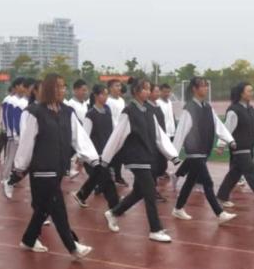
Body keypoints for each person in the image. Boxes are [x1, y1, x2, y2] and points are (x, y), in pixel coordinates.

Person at [11, 73, 95, 258]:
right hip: (42, 169)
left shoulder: (67, 112)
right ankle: (73, 246)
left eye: (63, 86)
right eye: (58, 86)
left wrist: (92, 158)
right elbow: (27, 142)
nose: (62, 90)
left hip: (58, 168)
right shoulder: (35, 113)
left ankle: (28, 239)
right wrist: (20, 167)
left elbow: (78, 136)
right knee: (57, 207)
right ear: (48, 89)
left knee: (43, 209)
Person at [100, 78, 179, 242]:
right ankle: (155, 229)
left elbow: (159, 135)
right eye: (145, 89)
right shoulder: (129, 112)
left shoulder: (149, 111)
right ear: (136, 91)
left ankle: (114, 212)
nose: (148, 92)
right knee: (150, 191)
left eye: (149, 89)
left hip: (148, 156)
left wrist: (172, 155)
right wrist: (105, 159)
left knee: (139, 192)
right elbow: (117, 136)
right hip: (135, 157)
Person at [170, 77, 237, 225]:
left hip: (204, 150)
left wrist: (229, 139)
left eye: (207, 86)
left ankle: (178, 208)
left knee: (190, 181)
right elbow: (181, 131)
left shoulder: (208, 107)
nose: (206, 88)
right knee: (208, 182)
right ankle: (219, 213)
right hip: (194, 151)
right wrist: (173, 154)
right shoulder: (189, 108)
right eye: (202, 86)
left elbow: (218, 125)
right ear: (194, 89)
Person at [215, 83, 254, 212]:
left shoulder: (250, 109)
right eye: (249, 91)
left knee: (235, 173)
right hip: (239, 147)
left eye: (252, 90)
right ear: (241, 93)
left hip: (249, 147)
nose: (252, 93)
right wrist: (221, 145)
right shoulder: (234, 110)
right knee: (252, 173)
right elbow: (227, 129)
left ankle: (221, 196)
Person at [72, 84, 121, 210]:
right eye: (103, 94)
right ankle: (115, 205)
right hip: (94, 154)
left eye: (106, 94)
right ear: (96, 96)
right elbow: (85, 136)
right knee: (106, 179)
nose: (106, 97)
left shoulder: (107, 110)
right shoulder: (91, 114)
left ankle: (81, 195)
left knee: (96, 177)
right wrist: (81, 156)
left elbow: (111, 130)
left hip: (106, 152)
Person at [105, 78, 129, 185]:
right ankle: (106, 178)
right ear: (110, 88)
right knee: (109, 155)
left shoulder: (121, 101)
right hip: (111, 132)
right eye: (116, 86)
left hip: (121, 132)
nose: (119, 88)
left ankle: (118, 177)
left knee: (119, 156)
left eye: (120, 85)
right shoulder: (107, 101)